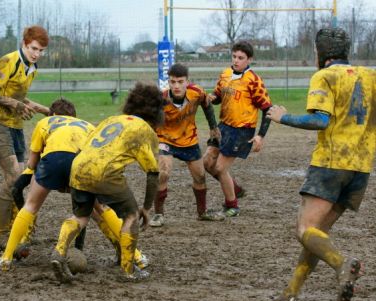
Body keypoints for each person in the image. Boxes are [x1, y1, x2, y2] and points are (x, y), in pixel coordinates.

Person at [267, 28, 373, 301]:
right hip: (360, 168)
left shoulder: (325, 76)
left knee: (304, 230)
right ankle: (290, 292)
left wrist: (283, 117)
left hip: (330, 164)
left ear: (320, 53)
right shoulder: (371, 75)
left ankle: (343, 265)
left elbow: (320, 120)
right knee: (317, 236)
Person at [0, 98, 148, 272]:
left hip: (54, 159)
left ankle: (6, 258)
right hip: (84, 165)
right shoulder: (88, 125)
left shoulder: (45, 121)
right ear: (74, 116)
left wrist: (36, 177)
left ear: (54, 115)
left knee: (30, 205)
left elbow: (31, 164)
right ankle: (136, 256)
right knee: (101, 209)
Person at [51, 82, 163, 283]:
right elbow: (153, 173)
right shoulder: (144, 129)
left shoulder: (111, 120)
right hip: (105, 172)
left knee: (80, 216)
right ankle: (128, 270)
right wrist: (146, 208)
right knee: (130, 215)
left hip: (78, 166)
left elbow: (84, 148)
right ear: (156, 111)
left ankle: (58, 253)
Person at [0, 25, 50, 249]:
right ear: (24, 43)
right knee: (13, 177)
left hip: (16, 127)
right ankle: (2, 234)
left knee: (21, 179)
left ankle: (17, 228)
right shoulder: (8, 61)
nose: (36, 53)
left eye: (40, 50)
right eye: (33, 48)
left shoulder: (32, 67)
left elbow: (20, 96)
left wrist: (45, 110)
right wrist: (16, 104)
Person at [149, 63, 224, 227]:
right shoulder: (161, 99)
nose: (176, 86)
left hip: (189, 140)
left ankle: (202, 213)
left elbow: (207, 105)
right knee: (163, 173)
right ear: (168, 82)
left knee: (200, 176)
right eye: (172, 82)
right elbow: (151, 121)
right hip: (166, 140)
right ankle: (158, 214)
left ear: (187, 81)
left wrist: (213, 127)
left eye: (180, 81)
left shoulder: (197, 92)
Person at [205, 40, 272, 217]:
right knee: (207, 163)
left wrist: (260, 136)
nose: (236, 60)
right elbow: (219, 95)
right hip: (223, 126)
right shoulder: (225, 74)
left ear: (249, 60)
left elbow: (267, 109)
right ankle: (235, 189)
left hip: (242, 130)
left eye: (241, 58)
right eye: (234, 56)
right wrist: (212, 97)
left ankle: (232, 205)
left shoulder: (254, 81)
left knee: (219, 168)